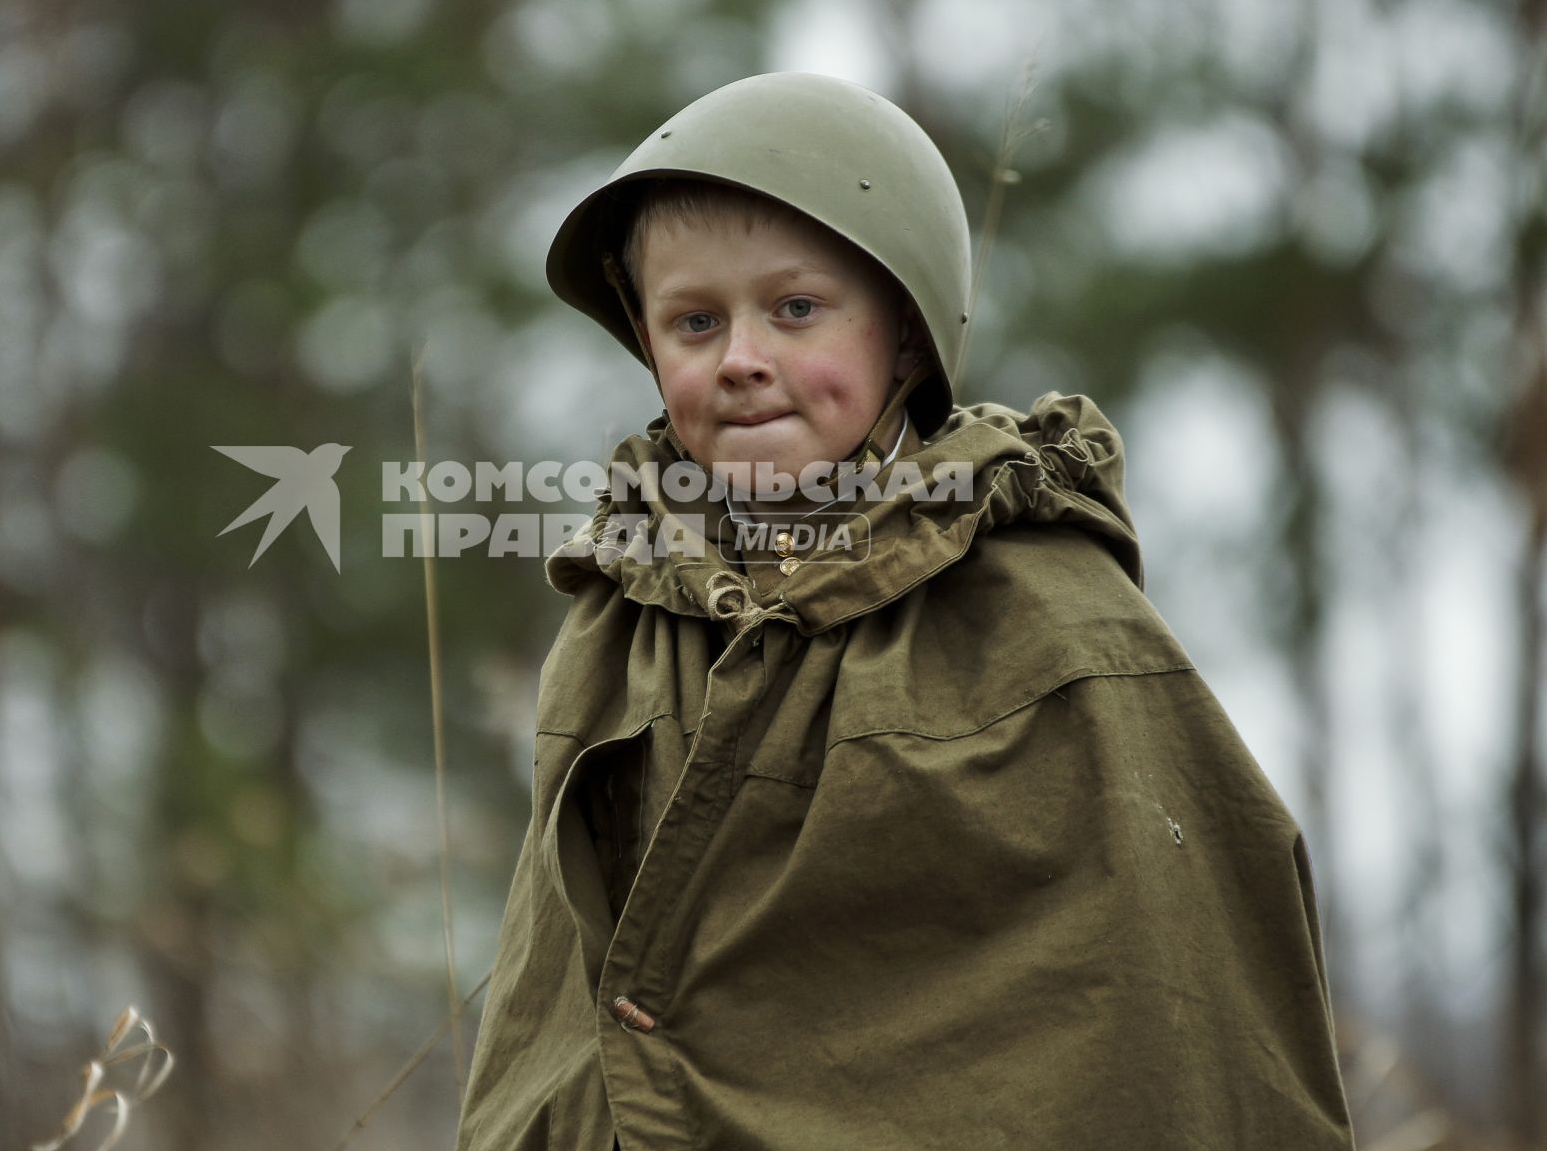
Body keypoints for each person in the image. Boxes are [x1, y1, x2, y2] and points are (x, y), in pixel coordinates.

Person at [455, 71, 1356, 1150]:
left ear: (908, 339)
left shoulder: (1052, 620)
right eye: (693, 320)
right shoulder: (622, 614)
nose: (739, 358)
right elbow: (552, 1007)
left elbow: (1165, 1013)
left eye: (794, 309)